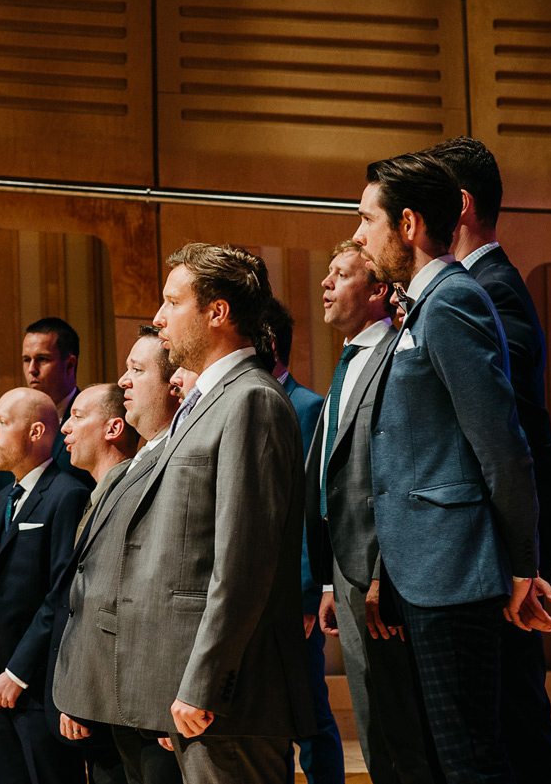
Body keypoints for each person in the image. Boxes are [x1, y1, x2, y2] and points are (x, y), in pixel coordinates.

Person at [61, 242, 314, 782]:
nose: (158, 318)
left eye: (172, 302)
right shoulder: (209, 403)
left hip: (229, 700)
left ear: (216, 312)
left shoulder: (251, 399)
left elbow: (242, 564)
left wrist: (202, 682)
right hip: (192, 698)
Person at [352, 153, 541, 783]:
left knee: (470, 759)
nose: (358, 235)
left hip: (456, 571)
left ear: (407, 224)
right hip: (419, 571)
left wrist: (521, 564)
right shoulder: (420, 304)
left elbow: (502, 446)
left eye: (366, 219)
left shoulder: (453, 300)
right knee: (442, 757)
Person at [427, 136, 551, 784]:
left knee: (516, 733)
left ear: (460, 205)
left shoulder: (490, 292)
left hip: (497, 562)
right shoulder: (470, 288)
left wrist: (549, 552)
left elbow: (522, 434)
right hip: (486, 558)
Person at [307, 241, 442, 784]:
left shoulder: (396, 354)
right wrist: (326, 583)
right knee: (374, 730)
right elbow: (332, 480)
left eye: (340, 274)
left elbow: (401, 476)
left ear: (379, 291)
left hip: (384, 573)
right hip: (344, 571)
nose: (325, 283)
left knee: (404, 736)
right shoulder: (346, 363)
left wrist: (384, 573)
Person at [56, 326, 184, 784]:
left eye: (136, 369)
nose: (124, 380)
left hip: (160, 693)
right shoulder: (134, 469)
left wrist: (179, 688)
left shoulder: (175, 460)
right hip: (119, 693)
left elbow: (176, 586)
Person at [0, 388, 89, 784]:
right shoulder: (2, 497)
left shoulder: (67, 494)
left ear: (36, 431)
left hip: (37, 689)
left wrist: (17, 674)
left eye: (1, 423)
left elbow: (61, 594)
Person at [261, 298, 345, 784]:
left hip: (295, 595)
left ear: (269, 343)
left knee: (309, 715)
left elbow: (316, 507)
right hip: (254, 591)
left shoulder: (309, 407)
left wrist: (310, 591)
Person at [0, 318, 96, 516]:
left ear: (69, 364)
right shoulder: (5, 429)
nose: (32, 369)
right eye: (26, 359)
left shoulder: (92, 421)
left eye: (42, 359)